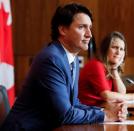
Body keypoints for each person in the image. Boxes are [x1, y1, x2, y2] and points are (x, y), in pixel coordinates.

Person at [0, 3, 126, 131]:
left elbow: (74, 104)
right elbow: (65, 115)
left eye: (90, 28)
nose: (89, 35)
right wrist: (105, 115)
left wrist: (105, 110)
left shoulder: (72, 59)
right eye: (82, 27)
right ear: (63, 30)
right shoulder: (51, 59)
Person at [78, 31, 134, 107]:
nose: (118, 52)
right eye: (114, 47)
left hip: (100, 111)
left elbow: (121, 93)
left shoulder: (110, 68)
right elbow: (107, 96)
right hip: (87, 113)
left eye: (121, 49)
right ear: (105, 49)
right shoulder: (96, 65)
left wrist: (114, 69)